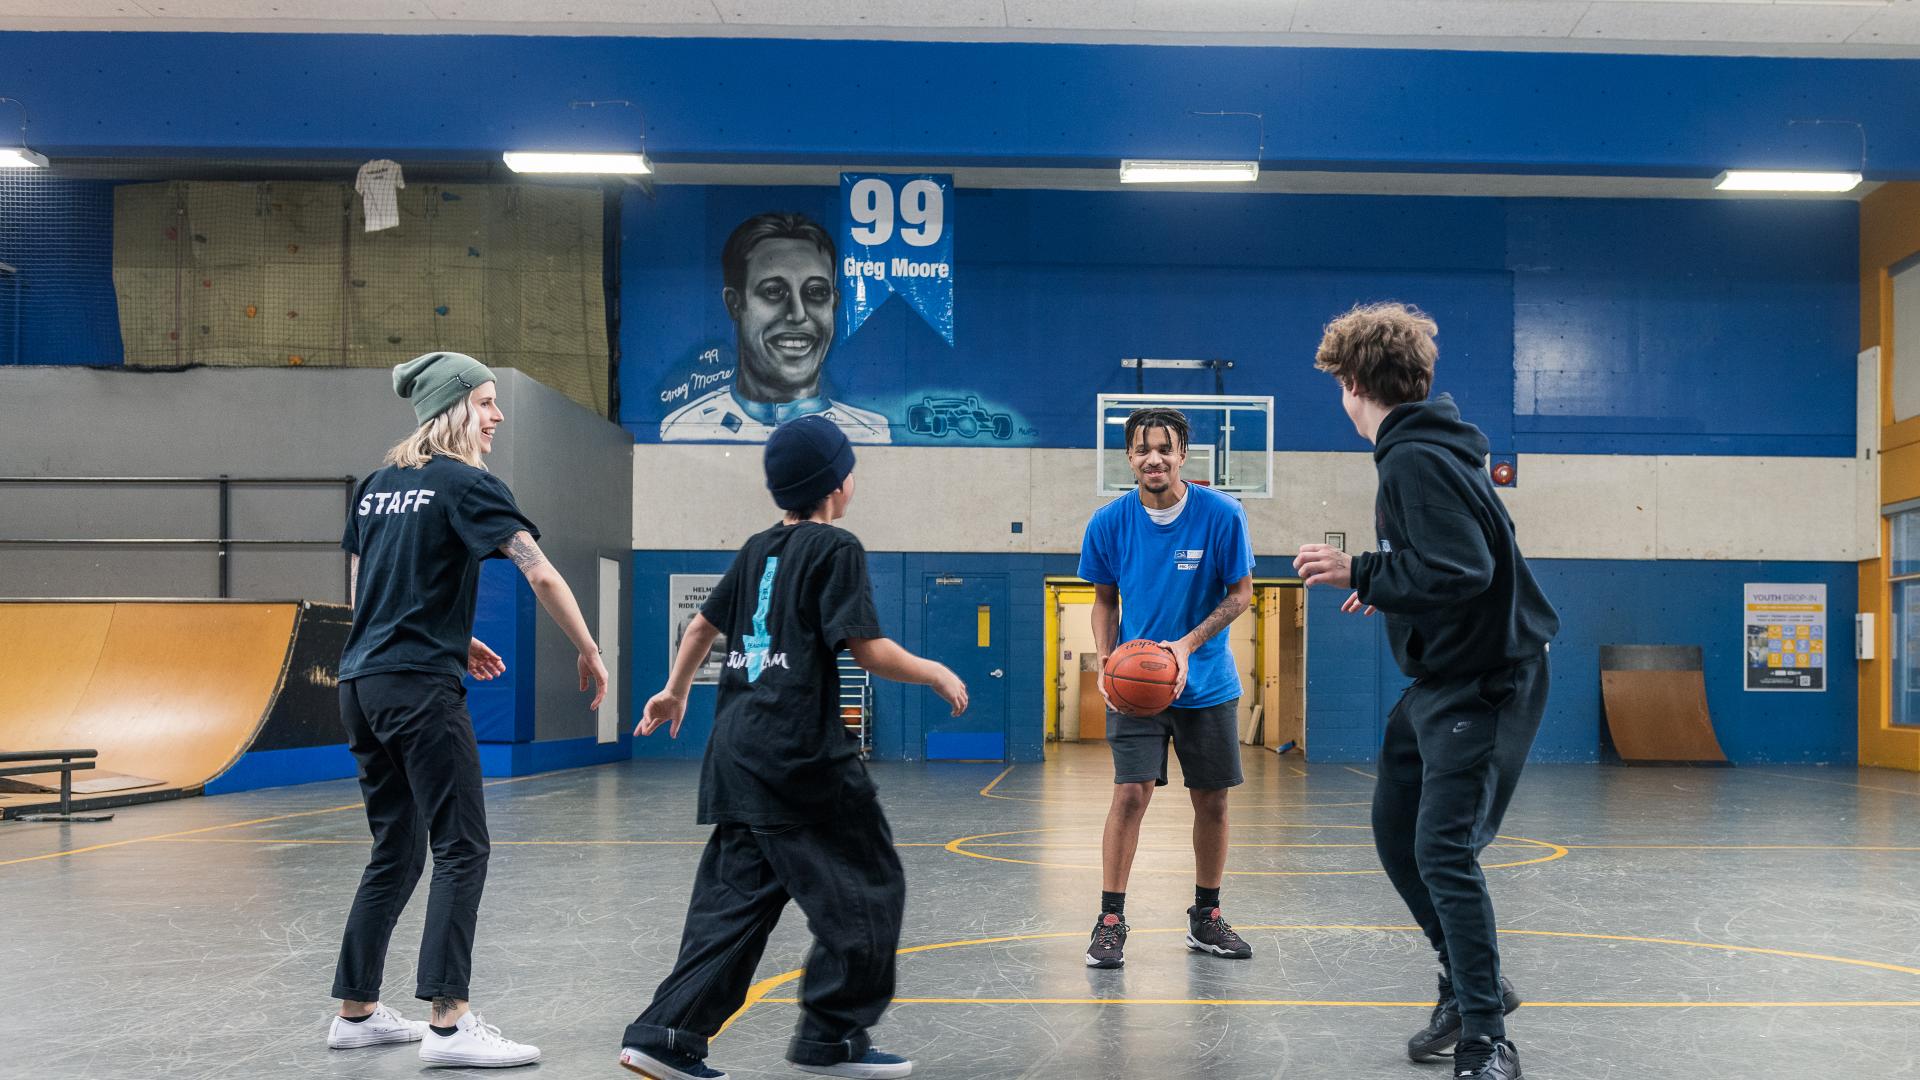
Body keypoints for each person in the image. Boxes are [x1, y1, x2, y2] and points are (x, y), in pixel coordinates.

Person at [619, 414, 966, 1080]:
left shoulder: (755, 549)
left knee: (735, 904)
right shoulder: (836, 548)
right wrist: (935, 671)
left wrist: (674, 692)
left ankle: (665, 1033)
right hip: (801, 757)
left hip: (738, 753)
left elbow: (700, 627)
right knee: (870, 886)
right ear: (836, 483)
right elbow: (868, 648)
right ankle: (829, 1037)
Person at [1293, 304, 1558, 1080]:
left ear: (1352, 383)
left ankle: (1484, 1038)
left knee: (1443, 852)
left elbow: (1465, 569)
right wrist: (1392, 590)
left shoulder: (1412, 458)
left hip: (1486, 679)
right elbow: (1450, 567)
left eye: (1338, 384)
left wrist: (1364, 572)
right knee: (1395, 832)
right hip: (1443, 677)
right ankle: (1472, 983)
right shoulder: (1428, 450)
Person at [327, 351, 609, 1069]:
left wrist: (452, 631)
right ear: (452, 409)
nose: (498, 416)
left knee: (394, 849)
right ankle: (449, 1025)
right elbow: (538, 570)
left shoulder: (375, 488)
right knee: (462, 845)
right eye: (486, 402)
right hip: (420, 691)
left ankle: (355, 1012)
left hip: (362, 686)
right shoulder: (466, 483)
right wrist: (589, 648)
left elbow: (365, 596)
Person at [1076, 406, 1256, 970]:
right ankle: (1110, 919)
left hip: (1206, 683)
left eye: (1165, 447)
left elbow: (1241, 594)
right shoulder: (1108, 522)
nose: (1153, 457)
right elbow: (1104, 601)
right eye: (1141, 448)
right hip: (1136, 686)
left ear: (1183, 455)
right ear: (1129, 457)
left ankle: (1206, 916)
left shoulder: (1222, 515)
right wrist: (1107, 664)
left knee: (1213, 801)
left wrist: (1184, 646)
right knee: (1130, 794)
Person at [660, 212, 891, 444]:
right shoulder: (685, 430)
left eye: (816, 292)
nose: (798, 314)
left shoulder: (870, 434)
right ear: (734, 303)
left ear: (834, 304)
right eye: (773, 291)